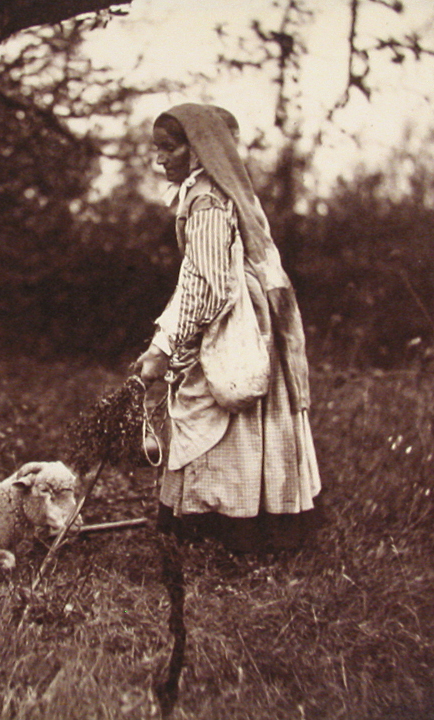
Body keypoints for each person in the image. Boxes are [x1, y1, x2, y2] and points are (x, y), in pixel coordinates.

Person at [135, 103, 322, 554]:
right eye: (158, 148)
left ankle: (226, 531)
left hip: (233, 325)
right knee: (225, 413)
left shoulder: (207, 203)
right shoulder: (217, 194)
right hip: (246, 315)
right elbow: (197, 278)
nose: (161, 159)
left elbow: (208, 286)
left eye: (169, 148)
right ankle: (247, 524)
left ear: (198, 149)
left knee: (220, 404)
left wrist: (170, 348)